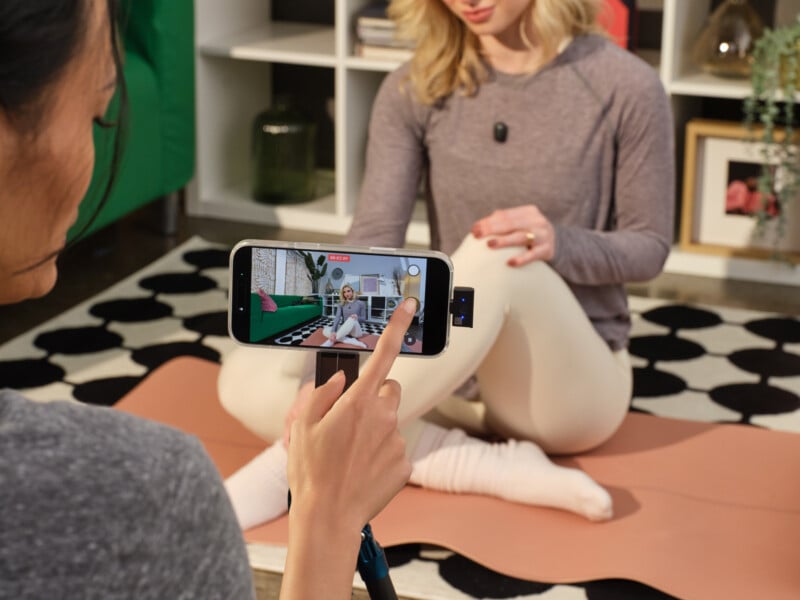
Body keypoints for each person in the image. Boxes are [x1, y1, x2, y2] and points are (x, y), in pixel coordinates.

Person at [0, 2, 413, 599]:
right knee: (246, 375)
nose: (97, 147)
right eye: (99, 114)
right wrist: (328, 521)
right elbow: (375, 230)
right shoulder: (151, 494)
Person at [220, 0, 674, 529]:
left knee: (494, 249)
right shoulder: (416, 86)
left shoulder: (626, 86)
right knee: (242, 375)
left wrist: (557, 242)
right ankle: (482, 465)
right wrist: (318, 376)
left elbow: (649, 247)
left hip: (566, 394)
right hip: (447, 384)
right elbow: (374, 241)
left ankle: (293, 461)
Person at [321, 283, 369, 348]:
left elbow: (364, 319)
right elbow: (337, 318)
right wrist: (333, 332)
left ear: (352, 291)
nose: (346, 293)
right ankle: (351, 341)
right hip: (345, 329)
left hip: (356, 332)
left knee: (351, 318)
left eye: (348, 291)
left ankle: (330, 341)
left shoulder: (361, 303)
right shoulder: (341, 304)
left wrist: (357, 317)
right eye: (344, 292)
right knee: (325, 330)